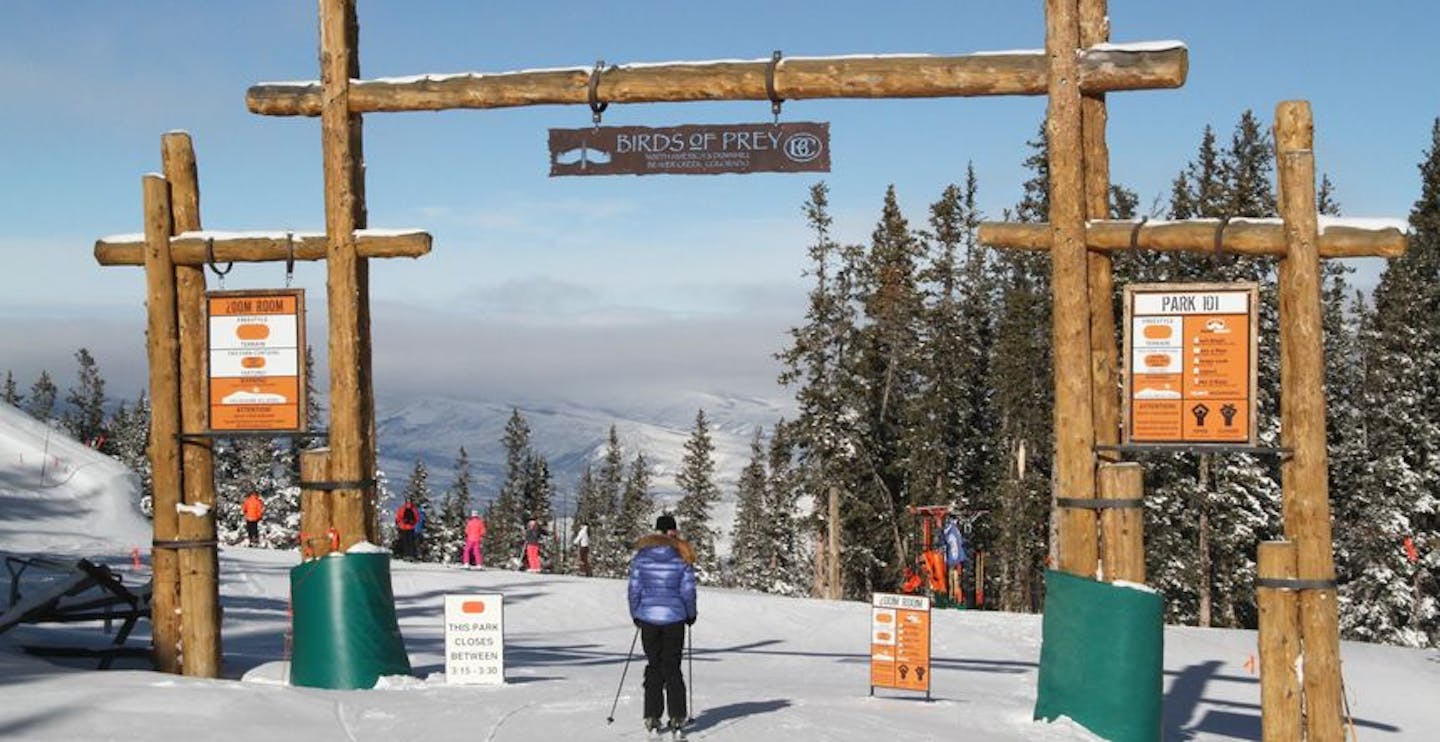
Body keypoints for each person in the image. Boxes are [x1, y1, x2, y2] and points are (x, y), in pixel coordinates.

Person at [628, 514, 697, 734]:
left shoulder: (642, 556)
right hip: (675, 618)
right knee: (672, 665)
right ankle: (677, 715)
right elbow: (688, 590)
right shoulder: (681, 555)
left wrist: (636, 613)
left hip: (648, 618)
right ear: (671, 531)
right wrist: (690, 613)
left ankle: (652, 715)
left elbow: (634, 589)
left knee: (654, 665)